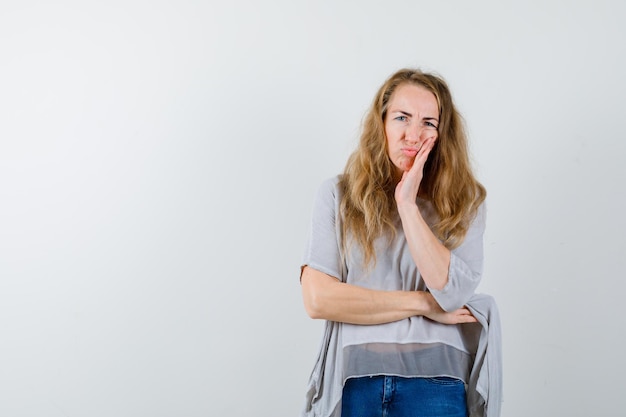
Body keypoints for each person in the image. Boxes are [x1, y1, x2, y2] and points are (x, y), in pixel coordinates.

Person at [300, 68, 501, 417]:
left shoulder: (465, 202)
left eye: (428, 122)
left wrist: (406, 203)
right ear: (382, 124)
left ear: (442, 133)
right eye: (402, 118)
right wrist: (424, 303)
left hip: (438, 382)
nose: (413, 134)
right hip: (356, 379)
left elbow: (451, 295)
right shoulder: (337, 195)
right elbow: (318, 300)